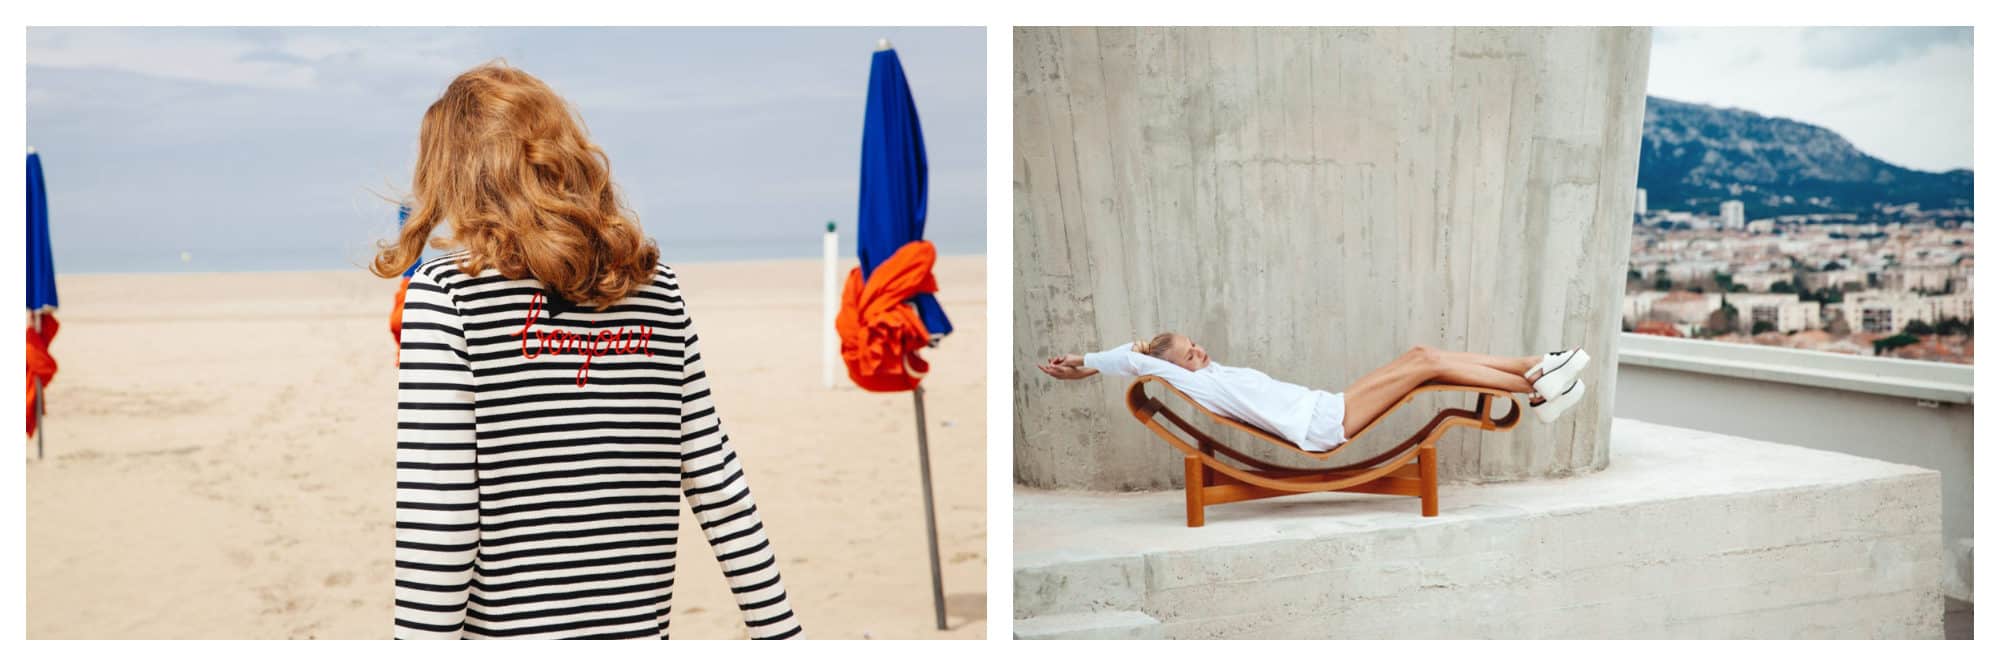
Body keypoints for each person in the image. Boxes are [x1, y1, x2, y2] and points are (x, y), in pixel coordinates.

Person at [375, 62, 801, 640]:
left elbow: (441, 520)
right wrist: (781, 634)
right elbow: (716, 480)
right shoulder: (657, 289)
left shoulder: (447, 294)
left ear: (450, 172)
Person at [1037, 333, 1589, 453]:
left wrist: (1148, 345)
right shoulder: (1188, 379)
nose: (1199, 351)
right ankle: (1541, 373)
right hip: (1323, 425)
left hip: (1327, 403)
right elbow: (1135, 357)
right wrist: (1085, 364)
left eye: (1195, 344)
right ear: (1171, 366)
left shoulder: (1211, 372)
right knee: (1425, 365)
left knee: (1424, 357)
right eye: (1187, 352)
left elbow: (1144, 348)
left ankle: (1540, 377)